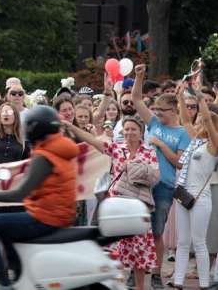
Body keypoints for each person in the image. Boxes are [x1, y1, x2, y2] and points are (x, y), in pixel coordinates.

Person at [0, 105, 79, 287]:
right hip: (56, 214)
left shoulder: (45, 155)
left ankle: (0, 279)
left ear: (35, 128)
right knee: (6, 227)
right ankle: (17, 275)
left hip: (45, 216)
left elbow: (21, 193)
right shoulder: (59, 148)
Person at [65, 116, 159, 290]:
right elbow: (92, 141)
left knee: (140, 249)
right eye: (127, 129)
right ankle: (119, 285)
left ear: (141, 133)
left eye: (133, 129)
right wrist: (71, 127)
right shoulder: (117, 148)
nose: (129, 132)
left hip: (138, 206)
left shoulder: (148, 151)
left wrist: (132, 167)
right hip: (118, 205)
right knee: (120, 248)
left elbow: (155, 177)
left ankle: (140, 288)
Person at [133, 64, 191, 289]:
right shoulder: (154, 123)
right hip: (141, 184)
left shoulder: (183, 133)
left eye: (162, 110)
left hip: (164, 186)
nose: (157, 113)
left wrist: (160, 145)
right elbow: (137, 99)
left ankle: (157, 273)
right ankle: (134, 270)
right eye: (155, 110)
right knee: (136, 230)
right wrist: (139, 76)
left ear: (174, 110)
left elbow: (179, 162)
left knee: (157, 231)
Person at [170, 83, 218, 289]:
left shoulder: (213, 144)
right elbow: (184, 120)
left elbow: (207, 118)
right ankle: (178, 280)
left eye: (201, 122)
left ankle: (204, 283)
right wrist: (180, 97)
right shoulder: (194, 141)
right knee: (182, 241)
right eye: (197, 122)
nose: (197, 124)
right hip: (183, 195)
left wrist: (199, 97)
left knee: (199, 242)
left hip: (201, 198)